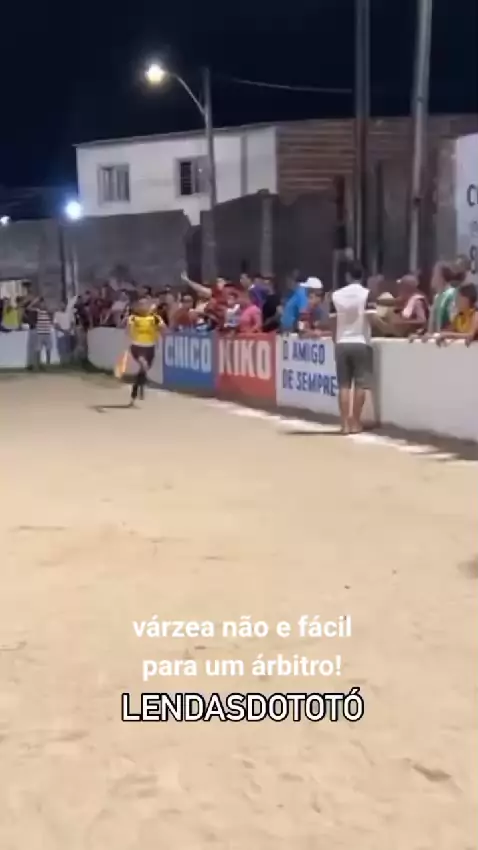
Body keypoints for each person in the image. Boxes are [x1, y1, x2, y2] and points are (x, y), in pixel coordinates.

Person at [330, 261, 375, 434]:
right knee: (360, 385)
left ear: (347, 276)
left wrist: (335, 339)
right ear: (362, 276)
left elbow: (333, 321)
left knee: (344, 385)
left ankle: (344, 424)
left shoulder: (336, 295)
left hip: (342, 341)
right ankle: (355, 421)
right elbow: (371, 318)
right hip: (361, 341)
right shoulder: (367, 294)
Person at [127, 297, 164, 405]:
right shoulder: (133, 318)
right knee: (143, 365)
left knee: (143, 371)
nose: (142, 307)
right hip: (137, 346)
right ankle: (140, 387)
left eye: (144, 304)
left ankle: (137, 390)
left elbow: (163, 328)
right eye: (140, 305)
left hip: (150, 347)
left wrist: (160, 329)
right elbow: (128, 327)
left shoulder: (155, 318)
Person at [33, 298, 53, 368]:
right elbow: (29, 308)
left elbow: (52, 312)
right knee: (38, 349)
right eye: (41, 303)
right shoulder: (38, 311)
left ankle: (48, 363)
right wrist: (35, 301)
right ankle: (38, 363)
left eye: (44, 303)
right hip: (40, 332)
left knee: (48, 348)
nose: (43, 305)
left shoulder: (49, 312)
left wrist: (48, 309)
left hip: (47, 332)